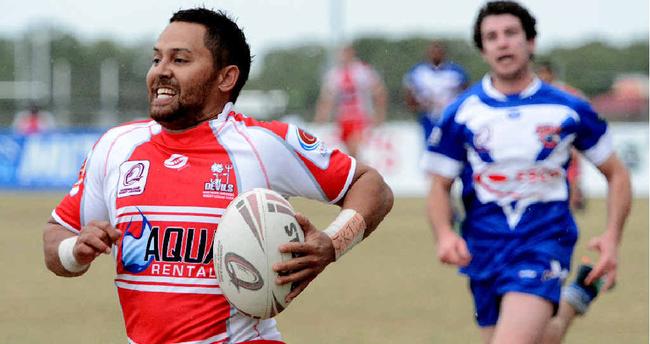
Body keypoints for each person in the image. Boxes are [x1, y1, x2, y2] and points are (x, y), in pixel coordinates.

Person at [42, 8, 393, 344]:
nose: (160, 71)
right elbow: (56, 238)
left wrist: (332, 243)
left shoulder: (262, 144)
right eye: (156, 59)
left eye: (179, 60)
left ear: (226, 77)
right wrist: (76, 250)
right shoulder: (115, 146)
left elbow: (370, 185)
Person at [421, 2, 631, 344]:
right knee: (539, 338)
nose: (502, 42)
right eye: (492, 37)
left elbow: (617, 174)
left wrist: (612, 238)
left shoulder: (569, 108)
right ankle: (573, 301)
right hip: (484, 248)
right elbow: (439, 185)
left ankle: (567, 299)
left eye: (511, 33)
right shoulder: (460, 113)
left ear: (530, 42)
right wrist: (445, 234)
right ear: (483, 49)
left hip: (544, 240)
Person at [313, 45, 387, 159]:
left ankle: (361, 173)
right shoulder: (335, 74)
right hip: (342, 119)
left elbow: (378, 91)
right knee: (350, 154)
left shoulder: (362, 71)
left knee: (354, 149)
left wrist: (379, 113)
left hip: (359, 117)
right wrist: (322, 115)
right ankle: (358, 172)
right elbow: (327, 97)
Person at [536, 60, 588, 211]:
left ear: (551, 74)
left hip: (566, 144)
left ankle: (570, 210)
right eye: (540, 74)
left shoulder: (567, 94)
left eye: (545, 73)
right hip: (541, 147)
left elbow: (583, 114)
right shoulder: (532, 95)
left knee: (571, 180)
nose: (543, 77)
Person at [403, 40, 469, 147]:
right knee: (431, 146)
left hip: (451, 117)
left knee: (452, 146)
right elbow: (409, 94)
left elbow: (466, 93)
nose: (435, 53)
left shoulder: (456, 72)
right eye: (433, 51)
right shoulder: (418, 72)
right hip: (429, 117)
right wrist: (420, 105)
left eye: (438, 50)